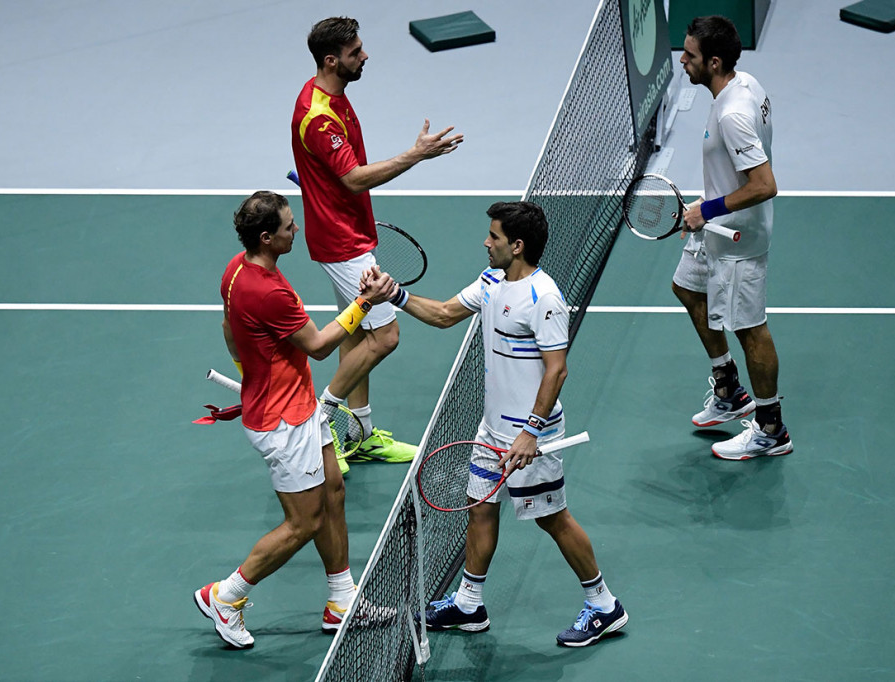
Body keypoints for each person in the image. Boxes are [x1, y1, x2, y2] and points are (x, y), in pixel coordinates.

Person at [390, 201, 627, 647]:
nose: (486, 242)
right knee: (480, 509)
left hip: (531, 438)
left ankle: (604, 605)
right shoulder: (491, 282)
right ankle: (469, 604)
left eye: (494, 237)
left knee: (552, 519)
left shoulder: (545, 299)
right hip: (492, 431)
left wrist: (531, 432)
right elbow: (443, 314)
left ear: (516, 246)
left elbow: (557, 371)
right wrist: (395, 296)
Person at [193, 191, 396, 649]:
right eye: (288, 226)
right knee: (302, 522)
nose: (296, 230)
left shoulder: (236, 270)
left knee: (333, 491)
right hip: (284, 424)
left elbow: (230, 332)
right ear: (267, 237)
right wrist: (365, 301)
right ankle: (226, 596)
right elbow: (321, 345)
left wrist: (252, 379)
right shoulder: (271, 291)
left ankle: (342, 600)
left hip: (294, 406)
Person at [291, 16, 464, 467]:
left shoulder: (331, 97)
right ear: (332, 61)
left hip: (346, 232)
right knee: (385, 337)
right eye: (355, 52)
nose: (364, 56)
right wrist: (416, 154)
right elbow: (352, 178)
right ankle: (319, 419)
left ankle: (360, 434)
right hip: (343, 244)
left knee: (356, 333)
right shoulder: (319, 117)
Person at [672, 15, 793, 460]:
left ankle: (771, 428)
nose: (682, 60)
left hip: (738, 235)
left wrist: (708, 209)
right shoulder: (742, 84)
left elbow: (764, 184)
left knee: (749, 328)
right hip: (717, 230)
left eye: (690, 55)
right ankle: (728, 389)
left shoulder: (734, 114)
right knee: (687, 288)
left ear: (714, 61)